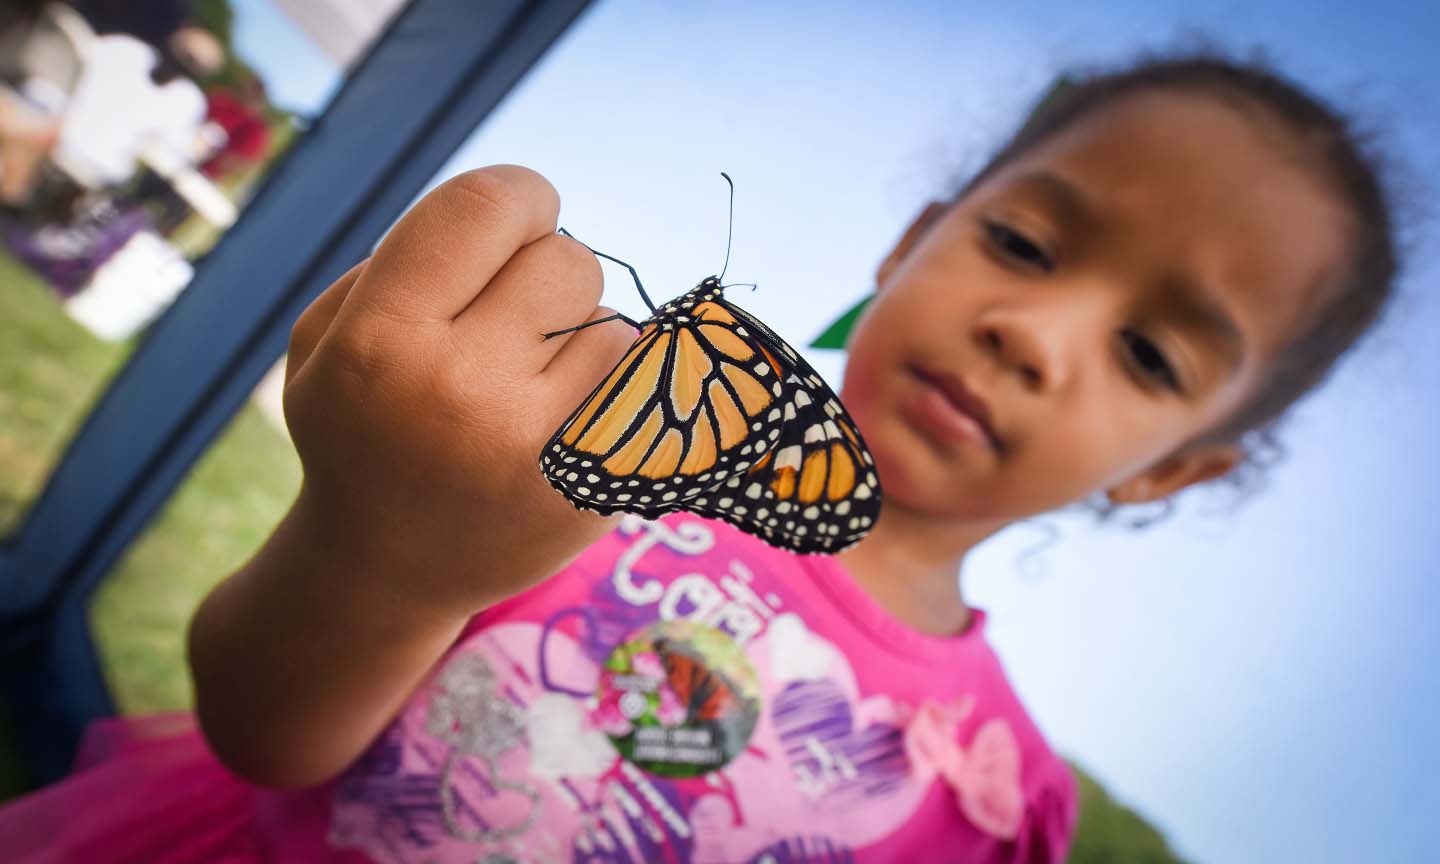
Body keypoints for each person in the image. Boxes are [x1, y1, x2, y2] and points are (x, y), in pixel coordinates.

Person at [0, 48, 1400, 862]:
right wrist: (386, 548)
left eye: (1153, 356)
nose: (1032, 331)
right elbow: (260, 726)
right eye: (1023, 244)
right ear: (911, 244)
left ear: (1171, 472)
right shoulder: (600, 468)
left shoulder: (1003, 799)